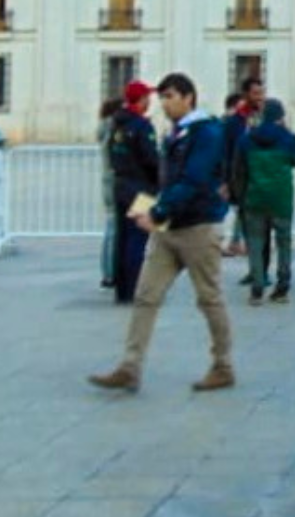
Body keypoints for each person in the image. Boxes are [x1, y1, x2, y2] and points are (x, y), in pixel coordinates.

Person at [87, 72, 235, 394]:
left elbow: (193, 180)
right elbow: (165, 179)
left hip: (197, 226)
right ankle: (130, 366)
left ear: (188, 97)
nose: (164, 104)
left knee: (209, 298)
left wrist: (157, 211)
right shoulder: (175, 133)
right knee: (146, 295)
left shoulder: (206, 132)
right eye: (162, 97)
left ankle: (223, 365)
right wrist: (154, 208)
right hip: (169, 229)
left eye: (169, 97)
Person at [234, 97, 295, 304]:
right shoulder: (289, 138)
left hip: (254, 198)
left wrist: (240, 196)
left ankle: (257, 286)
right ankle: (282, 287)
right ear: (280, 117)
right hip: (281, 198)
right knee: (283, 242)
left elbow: (238, 170)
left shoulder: (247, 139)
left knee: (256, 243)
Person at [103, 89, 161, 303]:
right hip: (141, 187)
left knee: (123, 238)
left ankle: (122, 288)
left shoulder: (117, 124)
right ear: (141, 99)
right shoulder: (141, 126)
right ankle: (135, 287)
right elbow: (150, 158)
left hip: (121, 185)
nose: (150, 101)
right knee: (138, 239)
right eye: (147, 97)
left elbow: (111, 152)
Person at [220, 74, 263, 259]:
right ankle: (233, 242)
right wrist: (225, 179)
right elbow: (225, 149)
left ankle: (239, 243)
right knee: (240, 210)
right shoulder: (234, 122)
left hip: (258, 174)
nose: (260, 96)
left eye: (261, 92)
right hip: (238, 175)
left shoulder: (264, 118)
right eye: (255, 93)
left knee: (248, 212)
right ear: (246, 94)